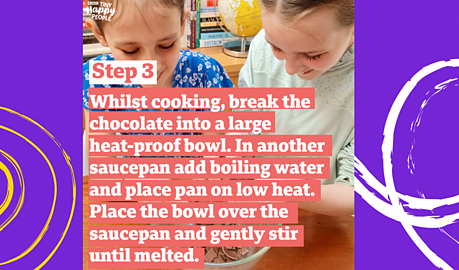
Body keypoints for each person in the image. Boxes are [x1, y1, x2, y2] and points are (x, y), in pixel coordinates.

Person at [239, 0, 355, 216]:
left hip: (327, 229)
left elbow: (356, 192)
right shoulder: (260, 49)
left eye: (313, 55)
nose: (290, 69)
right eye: (276, 47)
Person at [82, 0, 234, 152]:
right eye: (131, 50)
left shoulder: (205, 74)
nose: (152, 66)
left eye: (166, 45)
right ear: (99, 34)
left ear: (182, 24)